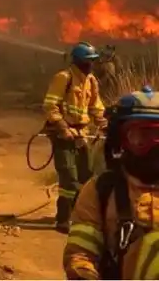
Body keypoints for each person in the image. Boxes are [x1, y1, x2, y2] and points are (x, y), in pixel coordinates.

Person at [64, 87, 159, 279]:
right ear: (121, 141)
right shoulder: (102, 190)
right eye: (141, 138)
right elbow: (81, 255)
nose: (154, 148)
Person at [43, 41, 107, 234]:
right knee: (69, 179)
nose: (91, 65)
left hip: (82, 135)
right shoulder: (63, 78)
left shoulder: (91, 80)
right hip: (64, 135)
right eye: (88, 61)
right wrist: (63, 127)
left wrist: (102, 121)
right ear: (78, 61)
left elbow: (96, 106)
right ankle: (63, 220)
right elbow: (50, 105)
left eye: (93, 61)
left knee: (86, 177)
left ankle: (79, 217)